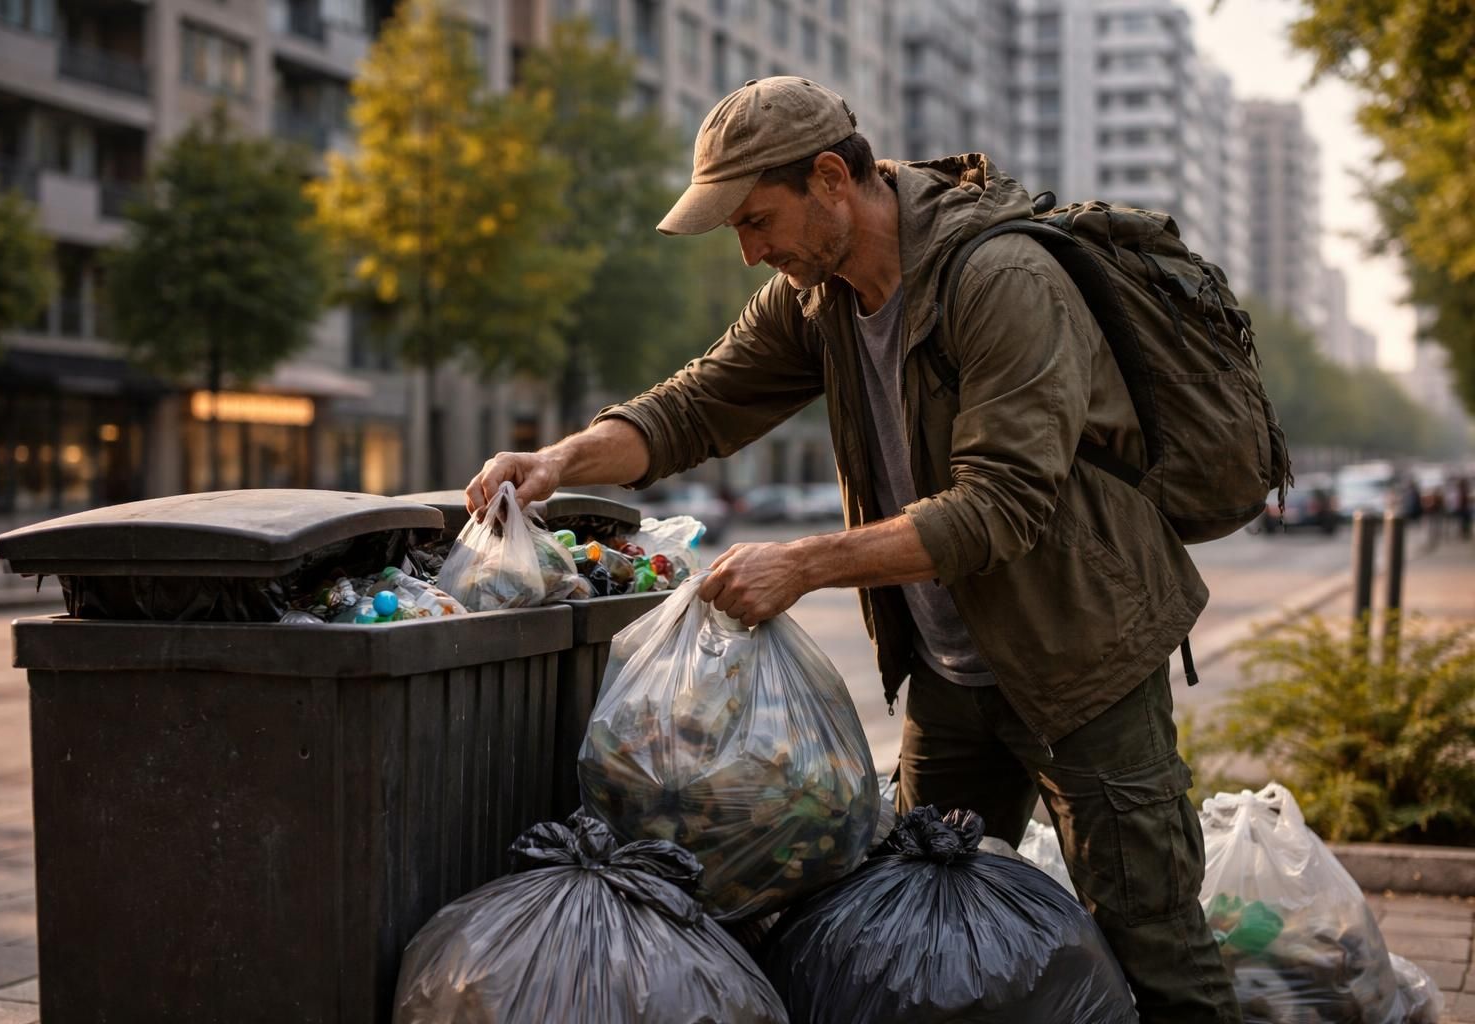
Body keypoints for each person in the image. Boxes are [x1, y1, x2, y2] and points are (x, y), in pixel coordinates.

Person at [465, 77, 1239, 1024]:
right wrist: (557, 460)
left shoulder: (1000, 280)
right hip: (955, 673)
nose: (751, 253)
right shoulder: (819, 293)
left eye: (757, 220)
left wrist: (803, 564)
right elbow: (697, 404)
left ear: (833, 178)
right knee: (919, 930)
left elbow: (998, 508)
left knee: (1147, 929)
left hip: (1084, 657)